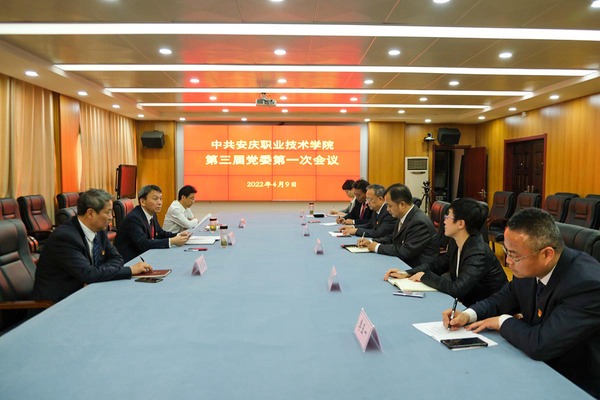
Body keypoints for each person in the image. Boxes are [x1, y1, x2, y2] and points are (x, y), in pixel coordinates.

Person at [443, 208, 600, 398]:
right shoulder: (529, 267)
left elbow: (541, 344)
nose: (508, 261)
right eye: (506, 251)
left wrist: (502, 321)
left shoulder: (587, 285)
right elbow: (501, 300)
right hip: (537, 366)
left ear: (547, 254)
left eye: (514, 255)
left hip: (575, 382)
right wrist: (467, 315)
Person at [32, 189, 152, 303]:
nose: (111, 217)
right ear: (90, 213)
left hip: (88, 292)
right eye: (108, 212)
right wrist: (130, 270)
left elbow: (117, 258)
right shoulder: (65, 237)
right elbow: (88, 274)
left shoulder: (99, 231)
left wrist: (97, 273)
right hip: (58, 303)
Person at [384, 198, 507, 306]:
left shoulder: (478, 253)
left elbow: (457, 289)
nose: (444, 221)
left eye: (448, 217)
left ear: (460, 223)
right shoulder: (456, 241)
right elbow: (437, 265)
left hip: (489, 308)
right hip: (469, 302)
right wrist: (407, 273)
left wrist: (424, 276)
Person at [358, 183, 438, 267]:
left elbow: (406, 251)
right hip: (403, 262)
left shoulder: (419, 222)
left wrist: (377, 247)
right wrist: (371, 242)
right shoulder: (404, 215)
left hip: (416, 268)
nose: (387, 209)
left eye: (389, 206)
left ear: (402, 205)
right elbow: (393, 238)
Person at [114, 184, 190, 262]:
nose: (160, 202)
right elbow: (143, 244)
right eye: (155, 199)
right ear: (142, 202)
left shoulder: (152, 214)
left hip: (145, 256)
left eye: (161, 199)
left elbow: (161, 234)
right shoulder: (134, 219)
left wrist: (178, 235)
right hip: (130, 261)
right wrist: (172, 241)